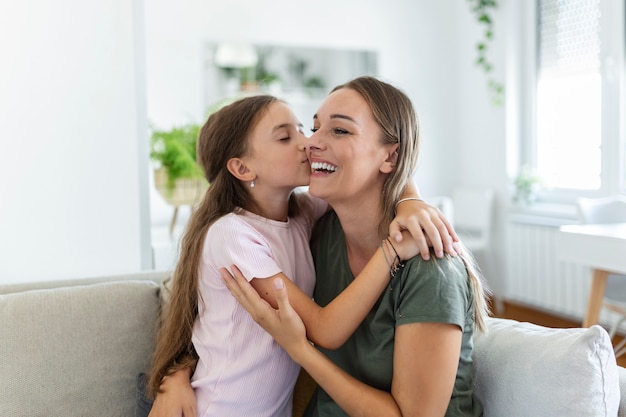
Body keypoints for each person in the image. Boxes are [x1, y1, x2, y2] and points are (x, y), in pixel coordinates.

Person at [144, 93, 460, 417]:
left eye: (301, 129)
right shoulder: (232, 234)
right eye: (285, 137)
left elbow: (376, 175)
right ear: (242, 167)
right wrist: (391, 250)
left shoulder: (303, 213)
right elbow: (324, 330)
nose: (307, 142)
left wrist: (412, 201)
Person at [222, 76, 491, 416]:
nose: (310, 143)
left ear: (389, 157)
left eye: (340, 130)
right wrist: (175, 375)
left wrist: (301, 350)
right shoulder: (317, 231)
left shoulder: (430, 267)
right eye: (315, 127)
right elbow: (213, 303)